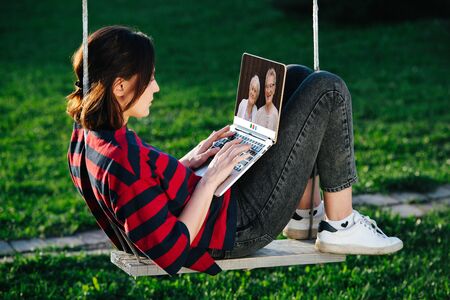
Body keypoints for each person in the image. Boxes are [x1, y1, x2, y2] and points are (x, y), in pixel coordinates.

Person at [67, 26, 403, 276]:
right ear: (120, 86)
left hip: (221, 208)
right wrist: (210, 180)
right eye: (149, 78)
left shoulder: (88, 136)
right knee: (328, 90)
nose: (156, 86)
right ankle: (341, 225)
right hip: (237, 227)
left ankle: (302, 217)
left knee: (298, 78)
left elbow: (142, 193)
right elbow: (172, 248)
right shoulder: (120, 158)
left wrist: (191, 161)